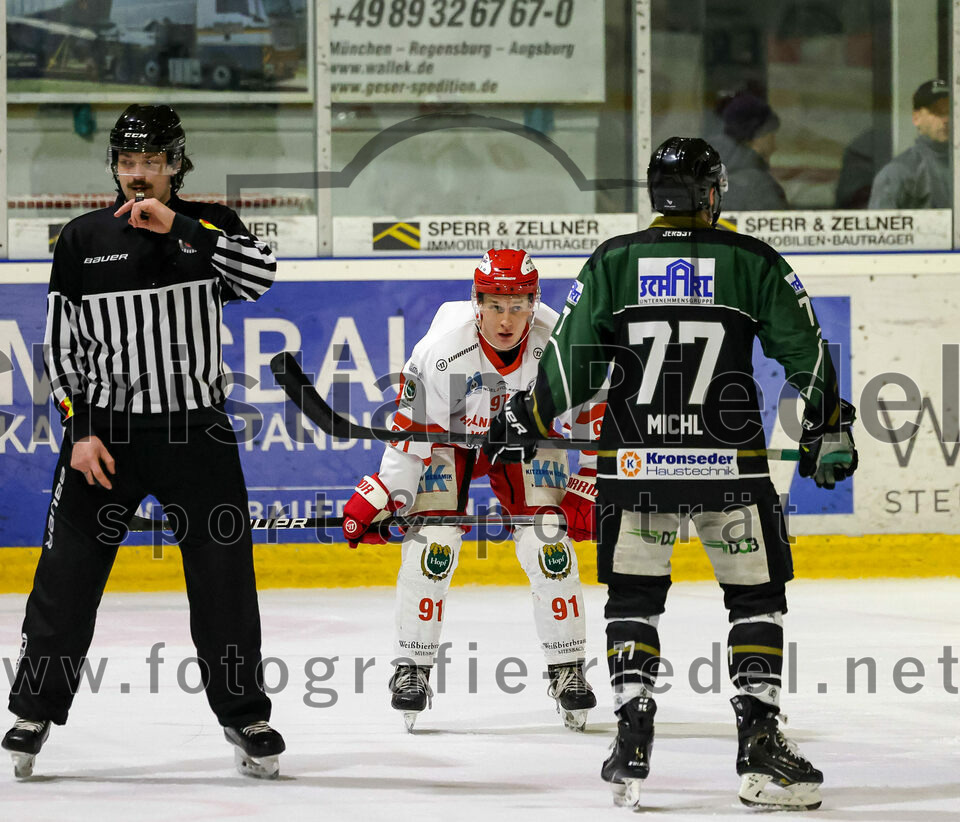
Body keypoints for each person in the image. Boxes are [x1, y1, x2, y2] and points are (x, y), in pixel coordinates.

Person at [485, 137, 858, 810]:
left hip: (636, 465)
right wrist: (830, 423)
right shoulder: (751, 261)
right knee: (755, 600)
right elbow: (806, 350)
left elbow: (572, 367)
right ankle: (759, 738)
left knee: (633, 600)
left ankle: (631, 732)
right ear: (712, 193)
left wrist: (527, 416)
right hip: (729, 466)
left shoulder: (615, 261)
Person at [1, 105, 284, 780]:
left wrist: (183, 228)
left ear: (176, 165)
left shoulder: (210, 225)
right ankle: (34, 710)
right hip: (108, 439)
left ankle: (244, 714)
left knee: (224, 584)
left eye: (152, 164)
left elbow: (262, 278)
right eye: (128, 164)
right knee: (65, 580)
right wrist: (81, 429)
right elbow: (62, 347)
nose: (138, 177)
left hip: (198, 432)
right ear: (115, 168)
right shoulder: (81, 240)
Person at [341, 249, 597, 732]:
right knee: (431, 542)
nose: (506, 319)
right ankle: (411, 669)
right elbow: (410, 437)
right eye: (495, 305)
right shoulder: (441, 351)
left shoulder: (559, 342)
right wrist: (387, 499)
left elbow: (593, 412)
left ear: (534, 302)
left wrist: (589, 483)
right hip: (448, 440)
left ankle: (568, 669)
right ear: (475, 302)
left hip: (528, 437)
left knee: (549, 544)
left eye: (519, 305)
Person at [868, 79, 950, 209]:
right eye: (937, 111)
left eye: (951, 111)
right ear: (916, 118)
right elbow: (881, 227)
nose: (946, 119)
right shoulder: (899, 172)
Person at [709, 92, 789, 211]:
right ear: (759, 136)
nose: (774, 147)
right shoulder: (759, 186)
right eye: (771, 135)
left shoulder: (708, 181)